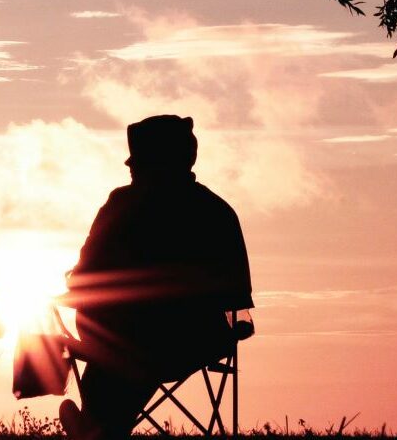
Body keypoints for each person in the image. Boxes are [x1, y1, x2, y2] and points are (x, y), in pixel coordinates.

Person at [59, 115, 254, 440]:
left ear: (152, 163)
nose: (131, 170)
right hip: (196, 343)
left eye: (136, 164)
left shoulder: (121, 205)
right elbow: (238, 298)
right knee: (131, 347)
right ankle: (97, 427)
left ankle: (96, 428)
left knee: (120, 347)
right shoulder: (217, 212)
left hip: (125, 343)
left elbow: (82, 280)